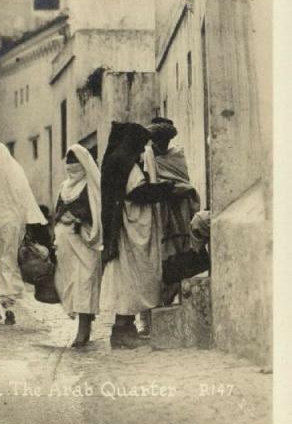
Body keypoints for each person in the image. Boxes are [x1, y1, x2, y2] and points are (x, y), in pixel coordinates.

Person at [100, 122, 174, 349]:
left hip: (120, 228)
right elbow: (137, 193)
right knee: (131, 279)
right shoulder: (127, 164)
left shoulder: (114, 161)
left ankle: (125, 330)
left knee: (125, 279)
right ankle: (122, 331)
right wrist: (166, 189)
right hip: (130, 230)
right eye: (141, 145)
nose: (143, 151)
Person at [0, 142, 48, 325]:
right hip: (11, 223)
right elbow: (23, 195)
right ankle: (8, 303)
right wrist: (29, 221)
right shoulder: (13, 169)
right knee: (9, 260)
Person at [144, 117, 200, 305]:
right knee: (160, 258)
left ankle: (177, 302)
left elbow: (185, 182)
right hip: (160, 211)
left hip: (180, 211)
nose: (161, 143)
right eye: (157, 139)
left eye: (165, 139)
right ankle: (153, 308)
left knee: (182, 256)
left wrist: (176, 188)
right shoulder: (147, 158)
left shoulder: (177, 155)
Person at [54, 144, 103, 348]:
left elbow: (96, 212)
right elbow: (57, 210)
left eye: (76, 164)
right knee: (72, 282)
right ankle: (85, 320)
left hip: (86, 240)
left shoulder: (91, 186)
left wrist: (79, 219)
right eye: (69, 165)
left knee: (86, 280)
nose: (72, 168)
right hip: (66, 241)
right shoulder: (64, 187)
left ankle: (83, 331)